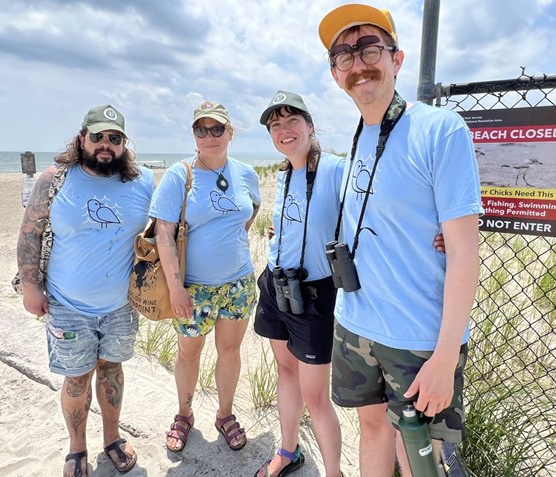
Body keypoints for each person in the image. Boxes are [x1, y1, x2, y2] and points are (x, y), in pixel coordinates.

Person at [318, 5, 483, 477]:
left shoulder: (439, 129)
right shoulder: (355, 138)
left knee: (417, 455)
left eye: (370, 48)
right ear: (335, 74)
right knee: (372, 430)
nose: (358, 63)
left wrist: (446, 354)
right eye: (344, 56)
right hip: (355, 322)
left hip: (418, 337)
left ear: (397, 59)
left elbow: (466, 251)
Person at [17, 104, 153, 477]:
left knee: (112, 370)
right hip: (67, 304)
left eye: (114, 137)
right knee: (77, 378)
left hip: (120, 306)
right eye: (97, 136)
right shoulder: (54, 179)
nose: (105, 144)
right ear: (81, 139)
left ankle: (112, 437)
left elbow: (166, 231)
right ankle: (77, 448)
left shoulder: (142, 182)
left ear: (124, 144)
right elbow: (30, 233)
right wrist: (30, 285)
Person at [149, 101, 261, 453]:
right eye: (202, 129)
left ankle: (224, 415)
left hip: (238, 285)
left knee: (229, 352)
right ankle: (184, 414)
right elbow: (163, 234)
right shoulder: (180, 175)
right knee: (188, 353)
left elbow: (249, 213)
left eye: (218, 129)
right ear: (194, 134)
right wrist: (176, 287)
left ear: (230, 132)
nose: (210, 136)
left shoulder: (246, 173)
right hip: (193, 289)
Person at [253, 91, 346, 477]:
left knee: (316, 397)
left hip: (314, 294)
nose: (284, 130)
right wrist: (280, 237)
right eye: (276, 125)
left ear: (310, 126)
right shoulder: (285, 172)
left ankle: (334, 472)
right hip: (277, 284)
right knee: (285, 371)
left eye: (292, 121)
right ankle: (288, 451)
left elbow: (376, 213)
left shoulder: (338, 169)